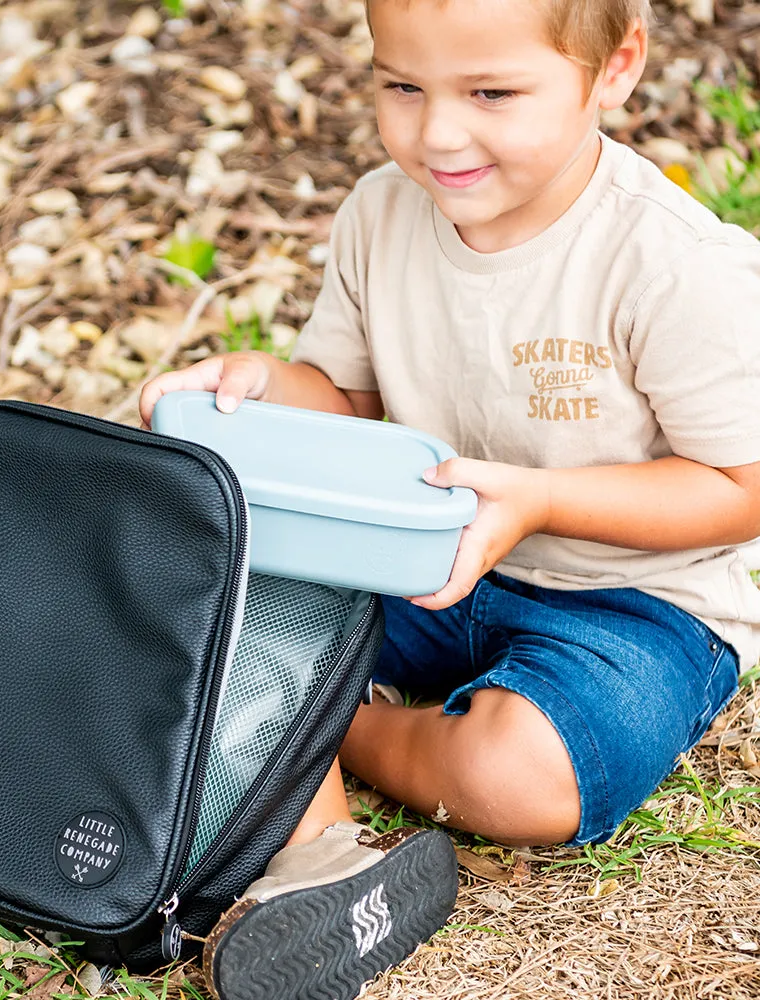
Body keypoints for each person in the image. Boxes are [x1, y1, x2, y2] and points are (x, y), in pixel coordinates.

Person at [140, 0, 760, 996]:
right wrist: (256, 386)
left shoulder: (670, 265)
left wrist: (541, 501)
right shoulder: (382, 213)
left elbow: (740, 490)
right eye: (401, 86)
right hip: (413, 555)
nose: (435, 133)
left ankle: (318, 719)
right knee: (183, 589)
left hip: (631, 601)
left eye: (491, 93)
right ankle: (325, 856)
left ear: (615, 68)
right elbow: (346, 401)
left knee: (512, 779)